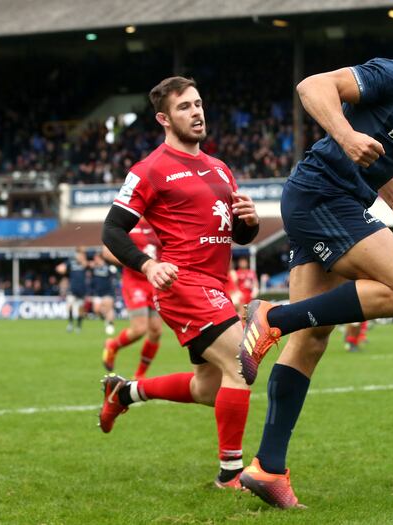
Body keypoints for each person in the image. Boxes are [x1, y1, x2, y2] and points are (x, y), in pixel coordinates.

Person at [235, 12, 393, 508]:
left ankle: (267, 467)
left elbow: (375, 157)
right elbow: (312, 86)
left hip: (333, 199)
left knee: (310, 343)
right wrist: (345, 135)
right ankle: (270, 316)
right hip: (323, 197)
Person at [99, 76, 261, 489]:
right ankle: (230, 476)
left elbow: (236, 234)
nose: (197, 112)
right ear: (164, 119)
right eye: (185, 107)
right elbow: (112, 231)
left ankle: (125, 393)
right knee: (241, 366)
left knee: (209, 388)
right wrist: (148, 266)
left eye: (199, 104)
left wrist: (250, 223)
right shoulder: (150, 169)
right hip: (183, 283)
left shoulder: (220, 167)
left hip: (215, 285)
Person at [101, 219, 164, 380]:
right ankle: (112, 345)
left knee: (156, 331)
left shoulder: (159, 221)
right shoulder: (127, 220)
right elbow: (106, 251)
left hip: (155, 281)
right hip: (134, 281)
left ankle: (140, 375)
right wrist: (134, 261)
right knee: (139, 329)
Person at [58, 247, 88, 333]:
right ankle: (70, 323)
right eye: (78, 253)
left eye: (81, 254)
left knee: (80, 309)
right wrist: (61, 268)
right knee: (69, 306)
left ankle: (78, 326)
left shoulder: (84, 262)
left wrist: (82, 259)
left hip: (82, 289)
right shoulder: (71, 262)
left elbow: (86, 265)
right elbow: (62, 268)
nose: (79, 256)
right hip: (72, 288)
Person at [89, 252, 117, 335]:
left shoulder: (108, 268)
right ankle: (106, 320)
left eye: (96, 258)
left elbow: (114, 277)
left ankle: (110, 325)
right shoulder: (94, 268)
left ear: (100, 258)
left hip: (108, 292)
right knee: (96, 310)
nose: (94, 260)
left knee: (108, 309)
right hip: (97, 293)